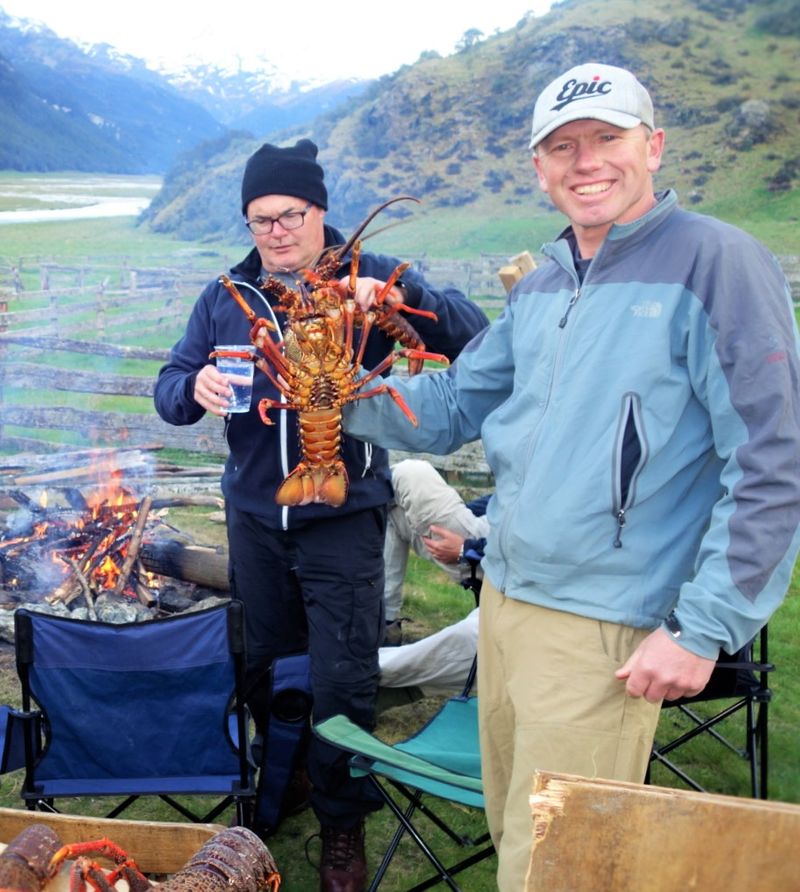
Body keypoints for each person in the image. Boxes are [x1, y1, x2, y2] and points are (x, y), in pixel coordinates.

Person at [342, 63, 800, 889]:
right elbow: (451, 403)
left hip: (604, 624)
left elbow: (774, 459)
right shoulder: (546, 281)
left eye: (607, 139)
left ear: (652, 146)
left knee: (561, 866)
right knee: (515, 830)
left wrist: (704, 626)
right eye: (563, 147)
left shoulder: (717, 265)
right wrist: (335, 399)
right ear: (540, 169)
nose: (586, 161)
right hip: (507, 606)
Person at [153, 139, 488, 892]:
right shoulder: (226, 297)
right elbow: (169, 385)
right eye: (260, 219)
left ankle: (342, 822)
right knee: (266, 663)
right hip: (254, 516)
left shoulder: (370, 275)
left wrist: (397, 302)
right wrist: (193, 387)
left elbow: (469, 335)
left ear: (321, 211)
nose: (275, 231)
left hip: (344, 511)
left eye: (290, 214)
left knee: (342, 674)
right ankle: (288, 778)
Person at [383, 458, 490, 644]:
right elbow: (499, 503)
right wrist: (464, 515)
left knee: (410, 475)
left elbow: (536, 540)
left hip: (491, 554)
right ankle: (384, 625)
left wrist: (468, 547)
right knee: (394, 515)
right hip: (486, 534)